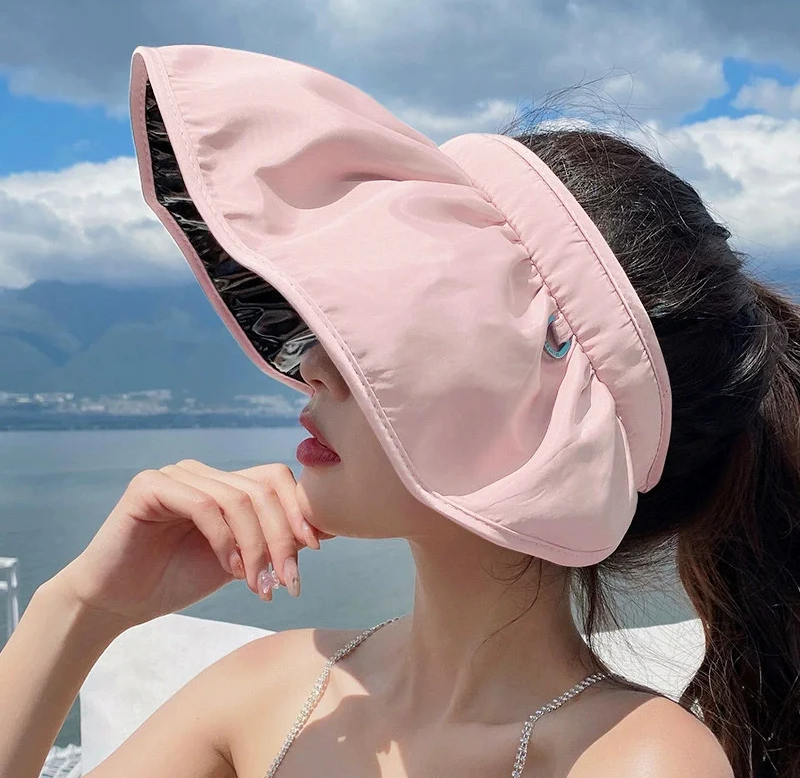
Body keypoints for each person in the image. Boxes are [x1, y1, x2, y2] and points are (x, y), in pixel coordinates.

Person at [1, 46, 798, 778]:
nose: (312, 367)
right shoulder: (268, 690)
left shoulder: (635, 762)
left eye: (395, 333)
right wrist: (80, 607)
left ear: (552, 423)